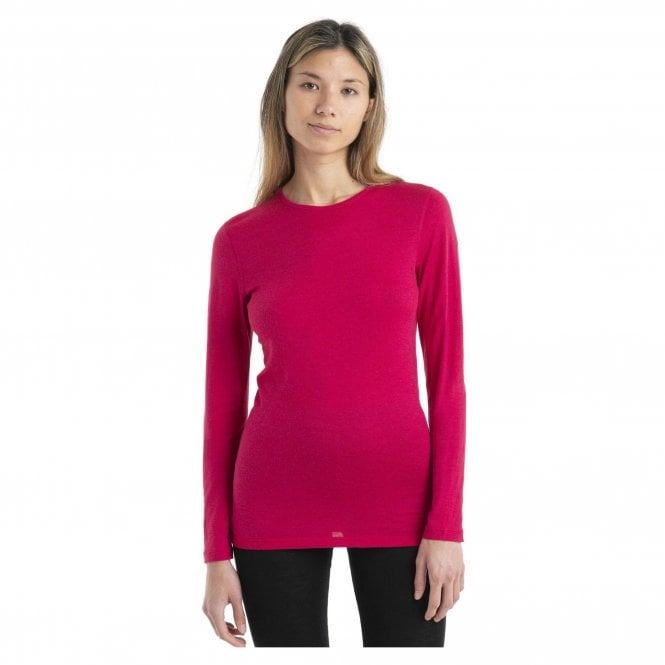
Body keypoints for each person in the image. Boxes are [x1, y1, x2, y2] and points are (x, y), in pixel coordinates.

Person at [201, 19, 467, 647]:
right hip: (273, 499)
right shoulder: (240, 240)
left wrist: (447, 525)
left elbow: (448, 381)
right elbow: (221, 404)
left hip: (402, 500)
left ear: (370, 105)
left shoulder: (420, 213)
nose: (327, 105)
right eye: (310, 84)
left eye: (349, 89)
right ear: (281, 94)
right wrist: (215, 553)